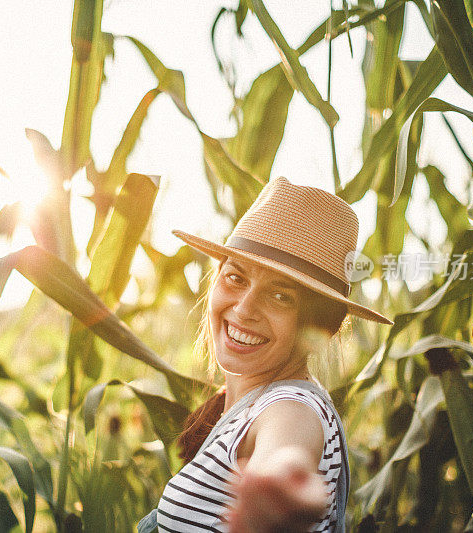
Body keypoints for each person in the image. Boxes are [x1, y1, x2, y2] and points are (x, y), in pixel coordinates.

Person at [137, 176, 393, 533]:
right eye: (236, 278)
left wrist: (280, 483)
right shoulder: (240, 406)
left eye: (280, 296)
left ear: (317, 327)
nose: (243, 309)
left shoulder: (292, 405)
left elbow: (287, 449)